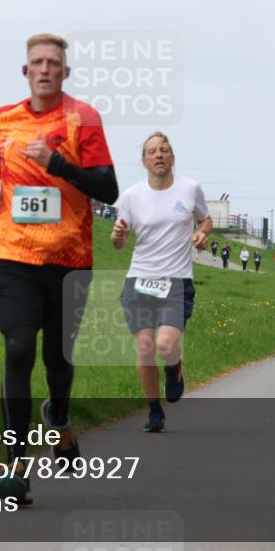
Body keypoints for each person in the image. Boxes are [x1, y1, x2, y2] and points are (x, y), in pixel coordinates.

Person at [0, 33, 118, 504]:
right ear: (25, 71)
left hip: (69, 260)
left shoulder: (84, 119)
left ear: (64, 72)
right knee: (18, 349)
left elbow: (108, 188)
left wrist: (58, 164)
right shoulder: (4, 118)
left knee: (58, 360)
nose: (44, 69)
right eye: (36, 62)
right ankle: (16, 464)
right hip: (12, 254)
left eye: (53, 63)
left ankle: (58, 417)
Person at [110, 132, 212, 432]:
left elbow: (205, 219)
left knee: (165, 344)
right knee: (144, 347)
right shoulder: (131, 195)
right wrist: (117, 236)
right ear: (144, 160)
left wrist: (203, 232)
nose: (159, 155)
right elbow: (120, 240)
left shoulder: (190, 188)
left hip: (176, 280)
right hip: (139, 278)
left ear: (172, 158)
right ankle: (155, 410)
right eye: (152, 151)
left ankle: (174, 364)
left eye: (164, 150)